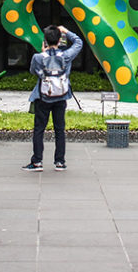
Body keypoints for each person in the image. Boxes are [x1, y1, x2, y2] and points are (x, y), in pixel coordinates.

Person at [22, 25, 83, 172]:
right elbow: (78, 42)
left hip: (43, 97)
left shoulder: (38, 57)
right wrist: (66, 31)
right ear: (59, 40)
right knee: (60, 129)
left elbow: (32, 71)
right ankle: (60, 162)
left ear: (45, 41)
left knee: (39, 129)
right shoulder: (66, 56)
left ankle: (37, 162)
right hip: (61, 97)